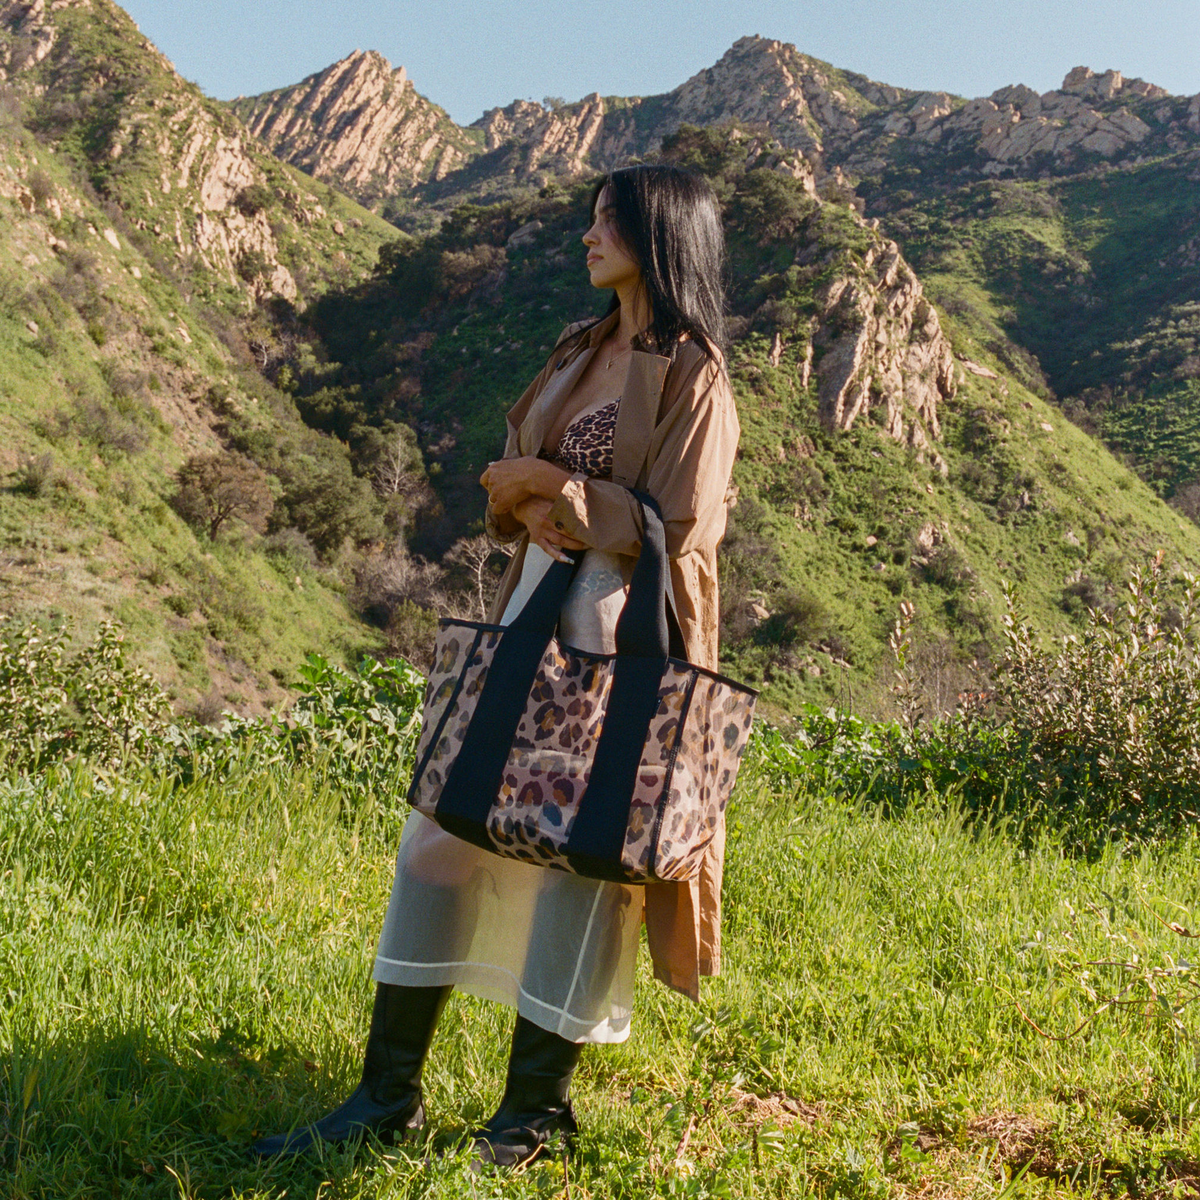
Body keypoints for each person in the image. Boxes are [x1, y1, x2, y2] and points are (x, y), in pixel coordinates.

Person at [251, 164, 740, 1167]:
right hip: (527, 612)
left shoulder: (696, 374)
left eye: (607, 221)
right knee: (440, 833)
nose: (587, 236)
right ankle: (386, 1096)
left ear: (658, 234)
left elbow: (685, 525)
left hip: (616, 638)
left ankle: (531, 1119)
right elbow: (509, 472)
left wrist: (552, 487)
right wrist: (525, 492)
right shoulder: (580, 346)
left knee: (579, 860)